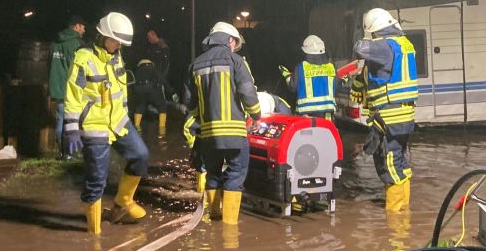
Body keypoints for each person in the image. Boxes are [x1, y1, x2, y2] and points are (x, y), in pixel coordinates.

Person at [62, 12, 148, 236]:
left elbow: (121, 90)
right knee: (97, 181)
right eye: (115, 40)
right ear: (101, 36)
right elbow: (73, 93)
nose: (118, 45)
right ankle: (94, 233)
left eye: (121, 42)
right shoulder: (83, 57)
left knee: (141, 155)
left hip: (119, 122)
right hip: (95, 126)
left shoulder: (117, 56)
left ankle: (123, 203)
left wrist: (128, 118)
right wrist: (71, 128)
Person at [183, 22, 261, 225]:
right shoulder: (236, 61)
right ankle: (229, 227)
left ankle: (214, 214)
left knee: (213, 173)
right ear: (230, 40)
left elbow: (190, 104)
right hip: (235, 132)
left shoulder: (195, 64)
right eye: (235, 42)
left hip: (208, 134)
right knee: (236, 173)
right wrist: (256, 114)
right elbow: (247, 91)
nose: (235, 46)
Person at [350, 8, 419, 212]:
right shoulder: (404, 45)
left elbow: (360, 48)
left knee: (388, 166)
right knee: (399, 164)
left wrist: (365, 37)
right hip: (403, 118)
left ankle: (395, 224)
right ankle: (404, 213)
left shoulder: (385, 46)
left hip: (388, 119)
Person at [49, 15, 87, 156]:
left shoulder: (54, 43)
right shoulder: (76, 44)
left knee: (61, 121)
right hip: (71, 89)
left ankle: (62, 152)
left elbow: (49, 65)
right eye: (83, 26)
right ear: (76, 26)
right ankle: (70, 153)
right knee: (72, 122)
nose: (84, 29)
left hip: (56, 88)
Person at [280, 35, 336, 119]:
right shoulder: (331, 67)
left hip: (305, 116)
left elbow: (292, 87)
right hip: (326, 116)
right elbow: (336, 86)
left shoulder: (301, 67)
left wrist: (287, 75)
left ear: (306, 52)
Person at [131, 58, 176, 133]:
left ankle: (137, 127)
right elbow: (162, 80)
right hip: (153, 89)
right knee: (162, 107)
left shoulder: (137, 70)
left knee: (140, 107)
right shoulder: (153, 68)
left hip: (139, 89)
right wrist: (172, 92)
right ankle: (162, 129)